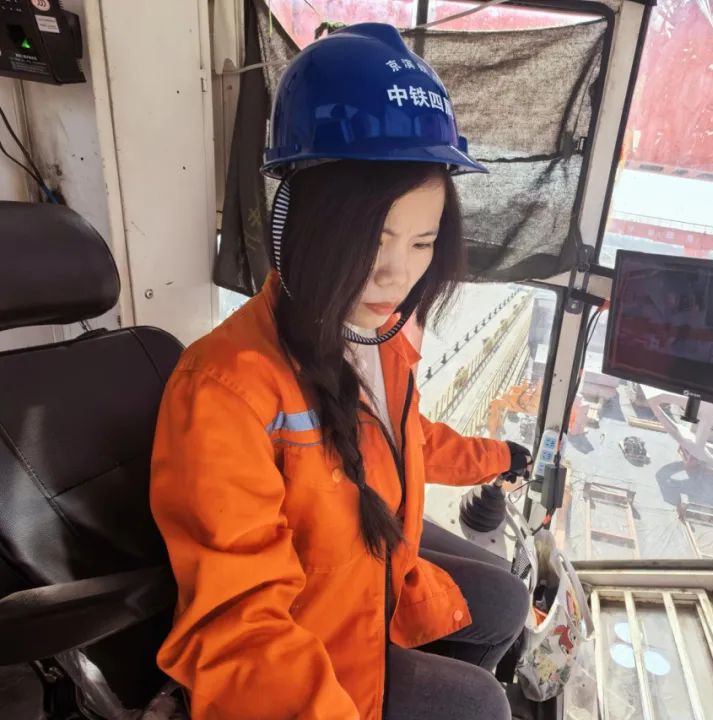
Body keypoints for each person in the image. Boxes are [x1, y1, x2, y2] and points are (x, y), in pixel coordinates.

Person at [150, 24, 532, 720]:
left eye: (422, 243)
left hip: (376, 583)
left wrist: (498, 456)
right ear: (302, 224)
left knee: (506, 598)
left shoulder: (378, 336)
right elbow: (239, 625)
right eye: (373, 239)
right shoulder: (224, 389)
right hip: (316, 647)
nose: (397, 274)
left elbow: (407, 440)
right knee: (480, 705)